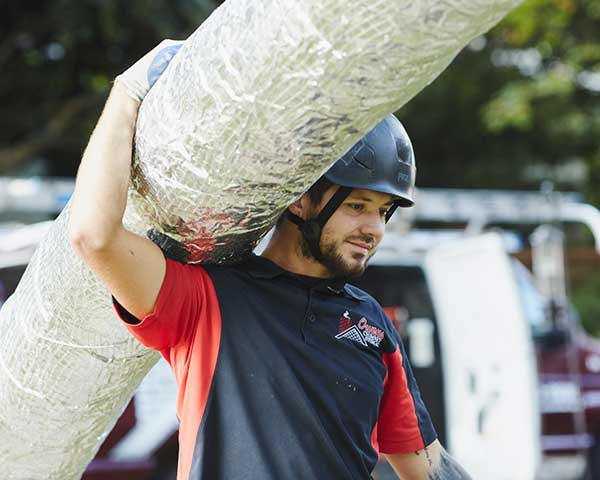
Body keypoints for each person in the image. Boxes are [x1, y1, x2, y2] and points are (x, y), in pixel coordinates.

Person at [68, 41, 472, 480]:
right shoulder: (207, 300)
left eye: (384, 211)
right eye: (357, 205)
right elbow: (95, 236)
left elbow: (426, 465)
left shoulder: (371, 326)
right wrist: (129, 92)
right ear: (301, 201)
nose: (374, 228)